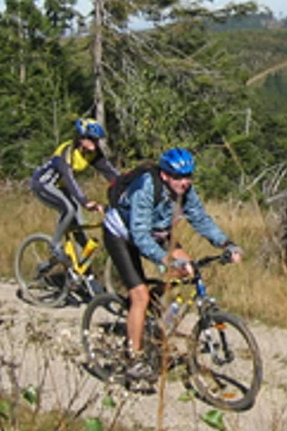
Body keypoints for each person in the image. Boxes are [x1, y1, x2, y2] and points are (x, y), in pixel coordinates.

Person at [102, 147, 242, 379]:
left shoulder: (186, 192)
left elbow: (200, 219)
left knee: (190, 269)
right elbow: (140, 236)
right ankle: (133, 359)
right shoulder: (147, 187)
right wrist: (164, 260)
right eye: (178, 177)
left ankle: (155, 306)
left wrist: (226, 243)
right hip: (122, 234)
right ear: (165, 175)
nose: (184, 182)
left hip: (157, 233)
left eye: (189, 176)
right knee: (139, 296)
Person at [29, 118, 119, 264]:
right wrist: (85, 201)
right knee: (69, 209)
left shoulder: (92, 153)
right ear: (81, 138)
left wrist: (126, 187)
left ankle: (81, 274)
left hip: (60, 187)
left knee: (80, 228)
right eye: (92, 139)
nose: (95, 144)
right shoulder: (66, 153)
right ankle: (54, 245)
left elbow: (110, 172)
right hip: (43, 184)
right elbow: (70, 180)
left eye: (97, 140)